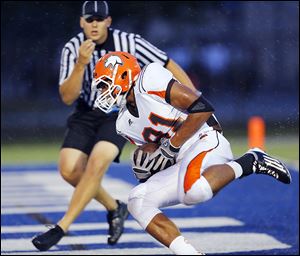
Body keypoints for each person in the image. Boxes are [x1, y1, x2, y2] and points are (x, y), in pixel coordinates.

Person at [31, 1, 196, 252]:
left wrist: (191, 97)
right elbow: (67, 97)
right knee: (69, 170)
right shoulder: (72, 48)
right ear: (81, 22)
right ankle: (114, 207)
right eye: (89, 19)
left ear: (108, 21)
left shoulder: (130, 42)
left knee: (97, 163)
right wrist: (80, 64)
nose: (94, 24)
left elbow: (167, 63)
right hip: (87, 111)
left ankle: (61, 227)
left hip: (121, 113)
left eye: (99, 19)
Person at [90, 51, 292, 255]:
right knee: (138, 200)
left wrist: (170, 146)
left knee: (193, 192)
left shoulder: (148, 79)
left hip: (204, 139)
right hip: (180, 158)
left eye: (105, 83)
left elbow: (203, 108)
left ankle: (250, 161)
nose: (103, 91)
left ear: (123, 75)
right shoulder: (124, 124)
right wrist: (147, 167)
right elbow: (159, 153)